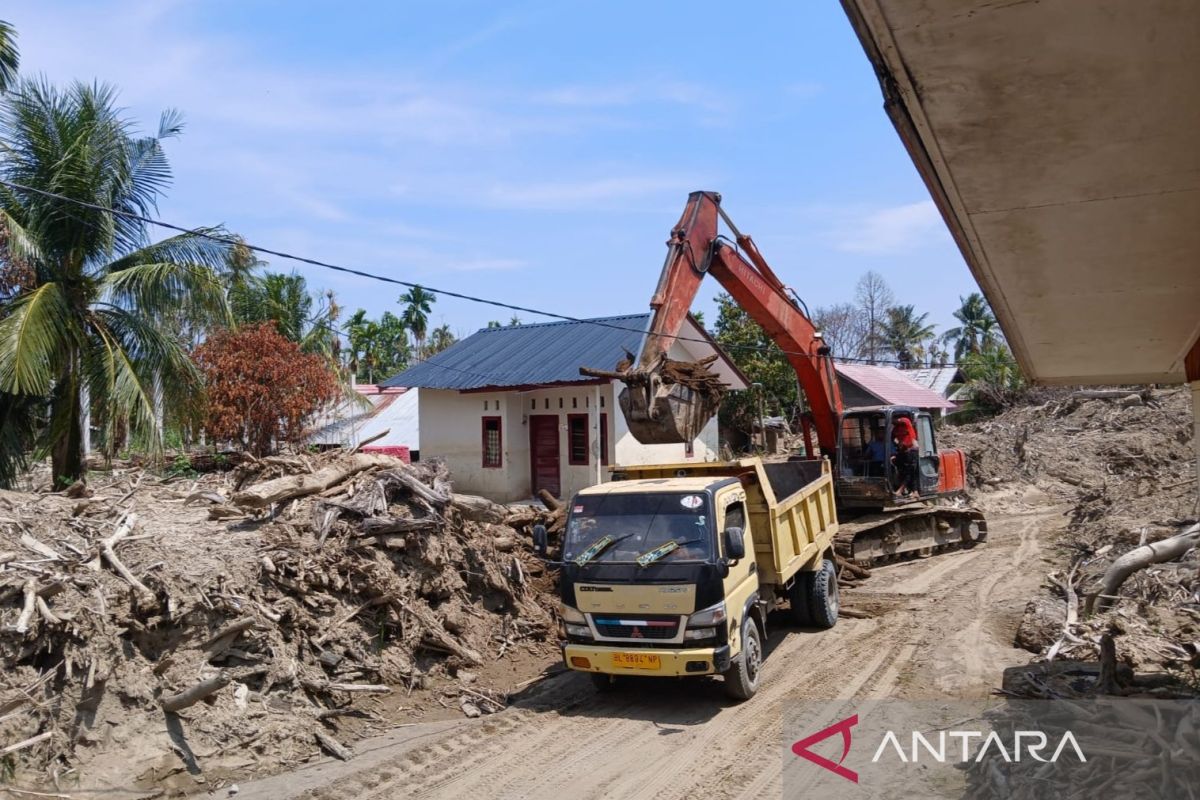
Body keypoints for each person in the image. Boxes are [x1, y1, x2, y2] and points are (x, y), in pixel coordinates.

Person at [891, 416, 918, 495]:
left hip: (911, 451)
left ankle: (901, 490)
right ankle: (914, 491)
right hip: (902, 451)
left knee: (910, 472)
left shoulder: (907, 424)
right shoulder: (896, 429)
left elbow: (903, 420)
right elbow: (892, 438)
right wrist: (897, 445)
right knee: (905, 471)